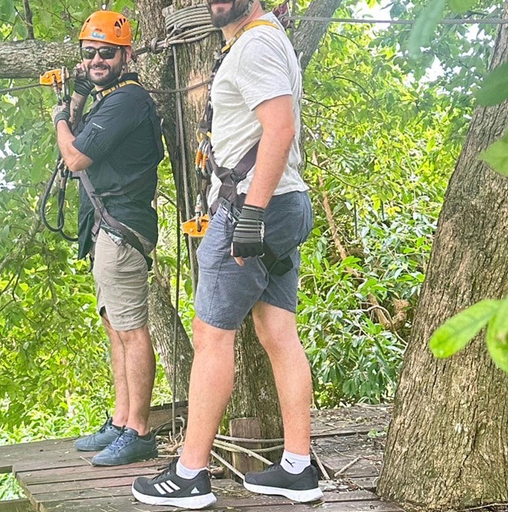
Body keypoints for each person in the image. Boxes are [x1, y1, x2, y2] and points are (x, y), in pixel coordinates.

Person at [131, 0, 322, 508]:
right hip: (284, 202)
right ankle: (298, 468)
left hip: (255, 207)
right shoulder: (264, 35)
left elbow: (279, 128)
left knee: (211, 335)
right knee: (278, 332)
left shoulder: (256, 43)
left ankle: (190, 474)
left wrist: (251, 215)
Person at [51, 10, 164, 467]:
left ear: (126, 55)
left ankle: (138, 429)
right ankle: (121, 420)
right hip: (107, 228)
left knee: (132, 330)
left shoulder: (127, 101)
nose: (98, 59)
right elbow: (82, 141)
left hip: (122, 229)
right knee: (115, 327)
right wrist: (77, 95)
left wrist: (59, 117)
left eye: (107, 53)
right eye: (90, 53)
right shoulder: (108, 99)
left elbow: (75, 157)